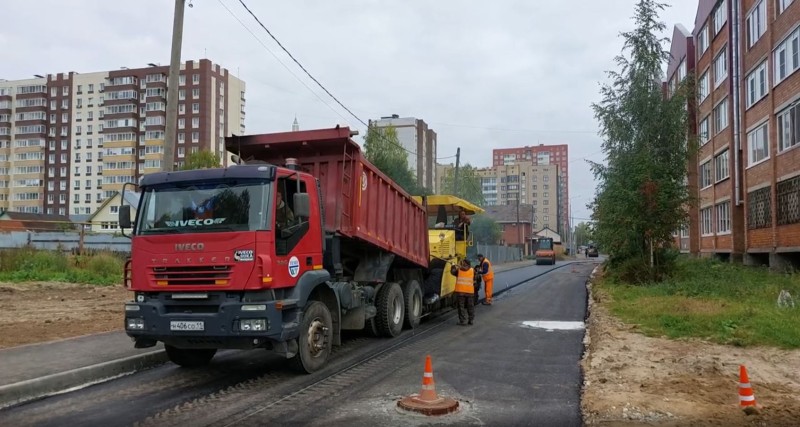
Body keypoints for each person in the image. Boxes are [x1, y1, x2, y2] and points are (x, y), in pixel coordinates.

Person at [450, 258, 475, 326]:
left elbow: (452, 272)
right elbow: (476, 278)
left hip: (461, 292)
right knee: (470, 306)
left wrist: (453, 266)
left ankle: (462, 321)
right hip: (470, 292)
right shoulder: (472, 270)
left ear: (464, 263)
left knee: (461, 307)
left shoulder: (459, 270)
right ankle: (471, 320)